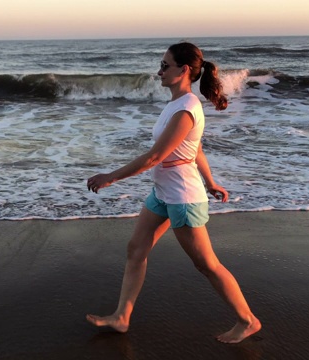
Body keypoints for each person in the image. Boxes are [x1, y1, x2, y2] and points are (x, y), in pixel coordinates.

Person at [85, 42, 261, 344]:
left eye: (165, 66)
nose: (159, 71)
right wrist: (210, 180)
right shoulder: (175, 105)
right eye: (160, 64)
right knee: (136, 250)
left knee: (207, 264)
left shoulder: (187, 109)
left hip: (182, 198)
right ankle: (122, 317)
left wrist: (111, 177)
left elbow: (155, 157)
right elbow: (195, 148)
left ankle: (248, 320)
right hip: (163, 193)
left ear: (184, 70)